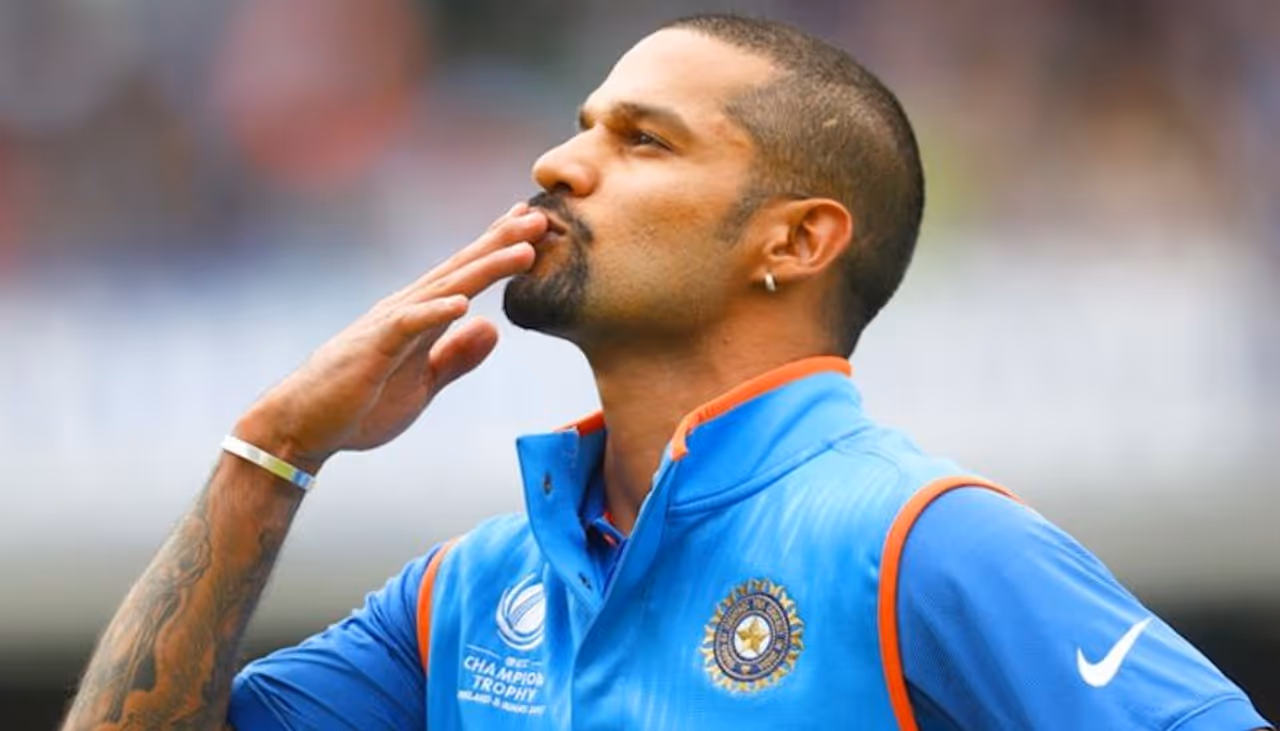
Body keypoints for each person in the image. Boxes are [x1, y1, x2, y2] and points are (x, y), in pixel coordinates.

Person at [62, 14, 1269, 731]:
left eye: (641, 140)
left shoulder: (926, 545)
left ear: (794, 240)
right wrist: (271, 452)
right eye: (581, 123)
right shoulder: (465, 593)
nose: (557, 163)